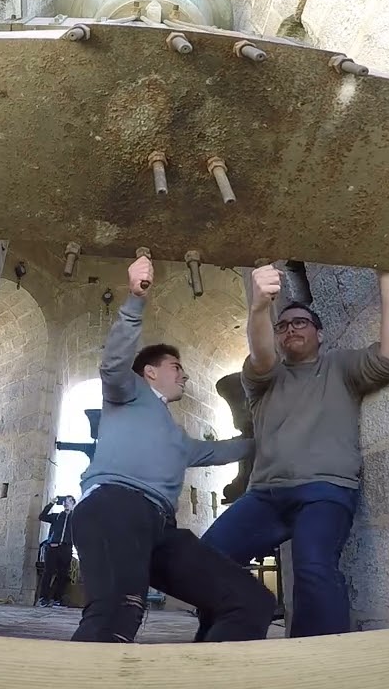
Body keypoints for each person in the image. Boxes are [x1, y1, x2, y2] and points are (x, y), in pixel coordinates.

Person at [69, 255, 276, 644]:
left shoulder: (177, 437)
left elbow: (217, 453)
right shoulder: (126, 393)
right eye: (175, 366)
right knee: (118, 612)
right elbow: (113, 364)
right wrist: (135, 299)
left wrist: (269, 439)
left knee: (250, 602)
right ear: (150, 371)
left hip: (160, 527)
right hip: (115, 506)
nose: (184, 373)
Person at [197, 263, 389, 639]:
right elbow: (261, 355)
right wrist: (260, 308)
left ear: (320, 334)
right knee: (209, 556)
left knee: (314, 566)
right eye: (283, 326)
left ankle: (318, 663)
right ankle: (226, 640)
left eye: (301, 323)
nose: (291, 328)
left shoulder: (340, 367)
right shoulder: (262, 379)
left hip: (325, 490)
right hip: (265, 494)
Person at [36, 495, 76, 607]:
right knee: (48, 572)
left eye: (68, 500)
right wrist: (51, 503)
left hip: (66, 548)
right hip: (53, 547)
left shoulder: (76, 518)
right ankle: (43, 598)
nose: (65, 503)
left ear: (73, 503)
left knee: (63, 574)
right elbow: (42, 516)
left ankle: (56, 599)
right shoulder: (57, 516)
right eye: (64, 501)